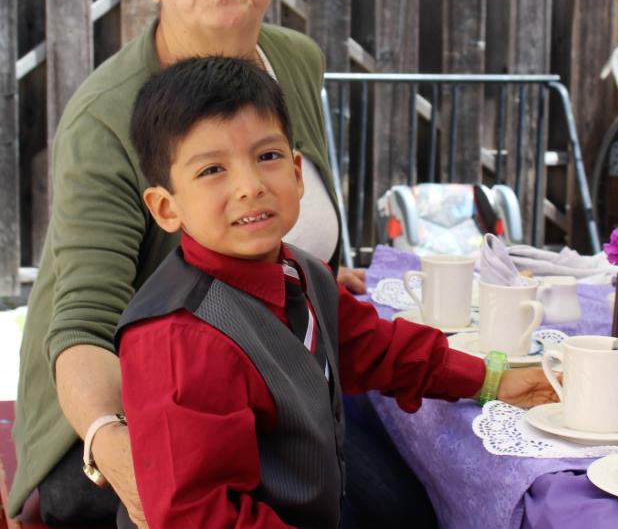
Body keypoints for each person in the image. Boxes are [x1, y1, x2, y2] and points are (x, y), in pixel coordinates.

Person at [7, 0, 422, 527]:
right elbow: (83, 324)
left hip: (271, 375)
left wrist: (310, 278)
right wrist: (118, 451)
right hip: (130, 410)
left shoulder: (295, 60)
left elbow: (287, 208)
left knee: (416, 498)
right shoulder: (107, 115)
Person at [116, 55, 559, 528]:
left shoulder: (302, 272)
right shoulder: (178, 339)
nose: (250, 186)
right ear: (166, 208)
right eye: (211, 170)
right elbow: (201, 517)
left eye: (267, 157)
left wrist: (490, 380)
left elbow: (370, 346)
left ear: (297, 173)